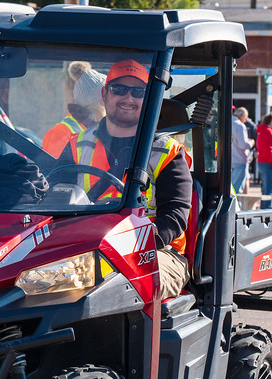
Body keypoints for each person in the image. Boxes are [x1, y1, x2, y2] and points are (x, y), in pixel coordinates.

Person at [64, 59, 192, 299]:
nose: (128, 98)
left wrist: (134, 245)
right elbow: (54, 196)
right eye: (119, 89)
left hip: (158, 253)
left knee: (124, 285)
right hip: (85, 250)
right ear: (104, 93)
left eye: (138, 92)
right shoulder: (76, 145)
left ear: (149, 99)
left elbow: (175, 215)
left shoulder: (167, 152)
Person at [42, 61, 106, 157]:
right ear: (99, 101)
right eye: (107, 96)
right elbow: (55, 170)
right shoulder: (60, 134)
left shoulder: (102, 129)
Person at [231, 107, 253, 194]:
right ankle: (237, 206)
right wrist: (251, 143)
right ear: (242, 115)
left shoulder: (228, 123)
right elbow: (243, 145)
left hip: (230, 158)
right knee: (237, 188)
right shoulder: (239, 125)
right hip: (239, 159)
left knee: (231, 186)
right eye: (246, 117)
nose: (246, 119)